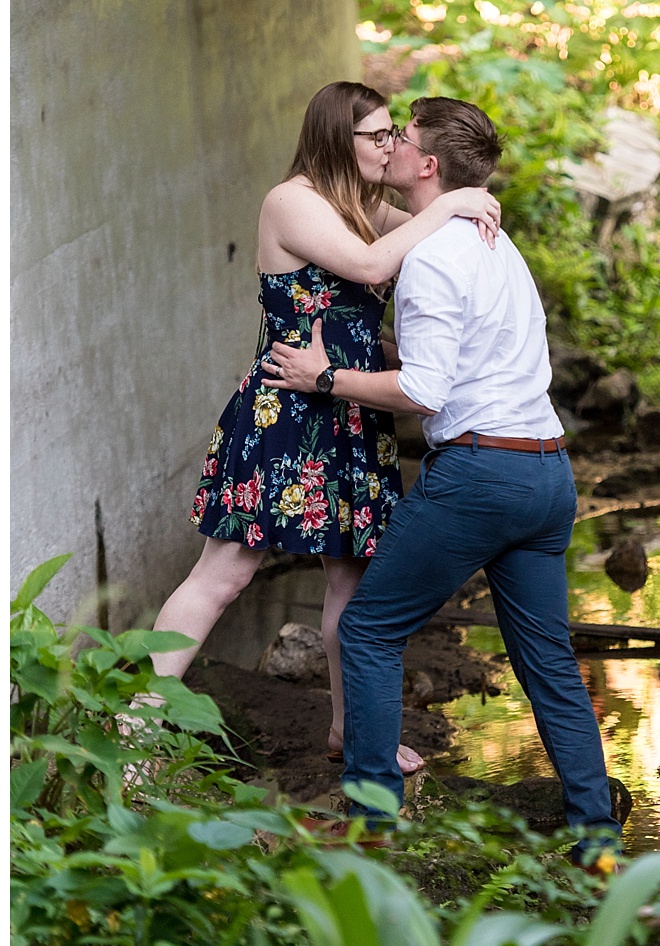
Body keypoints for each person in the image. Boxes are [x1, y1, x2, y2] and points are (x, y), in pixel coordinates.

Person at [262, 96, 620, 857]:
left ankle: (372, 824)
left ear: (426, 165)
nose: (387, 147)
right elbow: (461, 360)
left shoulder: (426, 258)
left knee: (366, 630)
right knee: (549, 663)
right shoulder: (495, 243)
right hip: (549, 475)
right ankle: (598, 839)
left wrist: (326, 378)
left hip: (481, 477)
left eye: (402, 139)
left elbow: (424, 393)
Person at [151, 81, 501, 767]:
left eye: (395, 133)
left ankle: (354, 731)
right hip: (287, 413)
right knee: (225, 572)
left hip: (347, 416)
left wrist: (462, 203)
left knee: (352, 581)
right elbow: (373, 266)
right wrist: (457, 201)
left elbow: (439, 245)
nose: (391, 145)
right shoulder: (293, 202)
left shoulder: (364, 209)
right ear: (338, 139)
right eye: (377, 136)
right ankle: (133, 720)